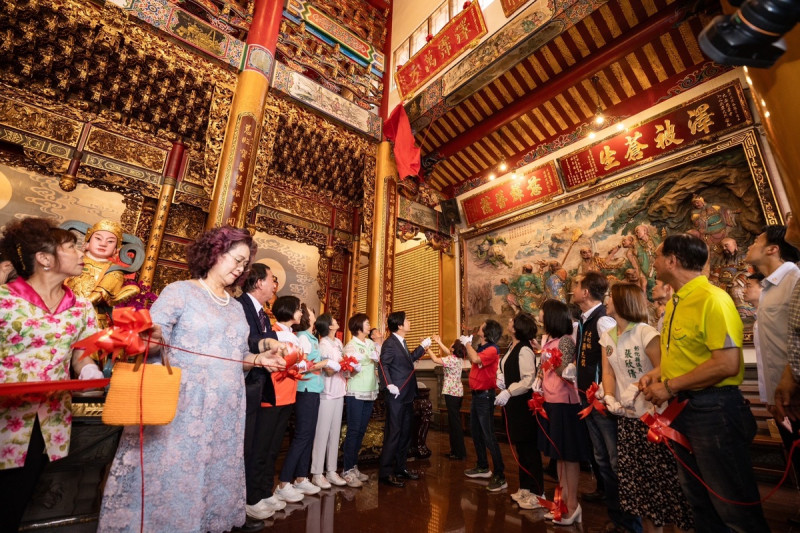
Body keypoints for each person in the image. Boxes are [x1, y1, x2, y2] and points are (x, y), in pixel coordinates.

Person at [98, 225, 285, 533]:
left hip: (225, 409)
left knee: (212, 474)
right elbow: (153, 343)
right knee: (174, 475)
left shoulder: (236, 308)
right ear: (214, 253)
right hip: (183, 406)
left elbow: (236, 358)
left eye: (243, 263)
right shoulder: (180, 292)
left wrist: (259, 359)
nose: (239, 268)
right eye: (235, 259)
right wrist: (147, 334)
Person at [641, 234, 770, 532]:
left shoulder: (712, 299)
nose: (655, 262)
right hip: (685, 410)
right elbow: (688, 354)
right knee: (699, 502)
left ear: (672, 260)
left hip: (714, 411)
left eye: (658, 256)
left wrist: (670, 386)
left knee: (733, 506)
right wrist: (658, 374)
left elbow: (726, 364)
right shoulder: (675, 302)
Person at [0, 217, 103, 532]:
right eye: (71, 246)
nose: (82, 250)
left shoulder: (81, 307)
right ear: (44, 259)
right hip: (4, 416)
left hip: (46, 420)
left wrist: (88, 370)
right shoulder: (5, 299)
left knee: (13, 501)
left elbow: (82, 351)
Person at [601, 283, 693, 533]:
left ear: (622, 303)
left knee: (665, 485)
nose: (607, 301)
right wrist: (609, 395)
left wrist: (637, 386)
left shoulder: (645, 332)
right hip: (627, 418)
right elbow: (607, 370)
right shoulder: (608, 336)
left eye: (610, 298)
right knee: (640, 489)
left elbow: (663, 368)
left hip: (653, 416)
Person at [573, 271, 641, 533]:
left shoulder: (602, 321)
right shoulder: (587, 319)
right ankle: (617, 515)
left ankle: (628, 520)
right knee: (602, 458)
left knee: (614, 460)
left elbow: (611, 362)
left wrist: (604, 390)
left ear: (586, 291)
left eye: (577, 285)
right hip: (590, 398)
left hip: (602, 400)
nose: (574, 289)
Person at [235, 263, 287, 521]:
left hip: (260, 385)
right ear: (258, 283)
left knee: (258, 445)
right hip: (243, 383)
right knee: (244, 446)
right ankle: (244, 499)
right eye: (272, 279)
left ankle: (254, 495)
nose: (274, 285)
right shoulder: (239, 307)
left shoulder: (264, 314)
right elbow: (246, 342)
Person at [276, 304, 334, 499]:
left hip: (314, 389)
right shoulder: (303, 338)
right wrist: (325, 363)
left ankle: (301, 478)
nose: (312, 315)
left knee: (308, 435)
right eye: (310, 312)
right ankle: (284, 482)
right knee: (302, 435)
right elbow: (302, 367)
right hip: (306, 389)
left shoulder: (311, 338)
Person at [745, 226, 800, 417]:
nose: (750, 245)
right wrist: (768, 396)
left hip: (794, 394)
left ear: (772, 249)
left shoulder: (794, 279)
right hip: (780, 398)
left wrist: (792, 379)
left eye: (756, 241)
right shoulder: (769, 286)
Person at [494, 313, 543, 510]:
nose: (508, 322)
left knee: (529, 448)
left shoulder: (524, 349)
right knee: (521, 448)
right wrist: (500, 378)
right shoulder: (512, 347)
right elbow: (505, 368)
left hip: (523, 404)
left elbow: (528, 380)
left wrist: (509, 391)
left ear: (518, 327)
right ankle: (524, 487)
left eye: (511, 321)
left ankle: (537, 492)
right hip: (513, 405)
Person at [377, 311, 430, 487]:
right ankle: (385, 473)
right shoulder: (390, 343)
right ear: (399, 325)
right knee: (394, 433)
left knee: (406, 432)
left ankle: (401, 467)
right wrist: (388, 384)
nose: (409, 321)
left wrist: (422, 347)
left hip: (407, 394)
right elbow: (382, 364)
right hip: (396, 394)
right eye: (407, 320)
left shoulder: (402, 342)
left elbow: (409, 361)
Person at [266, 295, 309, 504]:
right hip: (276, 392)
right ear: (288, 310)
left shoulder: (291, 334)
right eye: (299, 309)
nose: (301, 313)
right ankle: (267, 491)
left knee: (275, 444)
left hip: (289, 392)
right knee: (268, 445)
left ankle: (274, 488)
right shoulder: (275, 333)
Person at [65, 219, 139, 327]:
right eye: (98, 238)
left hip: (91, 317)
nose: (103, 244)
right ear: (88, 243)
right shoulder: (72, 260)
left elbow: (100, 294)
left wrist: (78, 308)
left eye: (110, 241)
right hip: (60, 308)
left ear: (115, 249)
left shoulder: (114, 271)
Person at [462, 319, 506, 491]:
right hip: (476, 396)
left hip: (485, 397)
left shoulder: (492, 349)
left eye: (482, 326)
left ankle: (500, 475)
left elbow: (474, 358)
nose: (479, 327)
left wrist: (467, 344)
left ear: (487, 332)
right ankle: (482, 466)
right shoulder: (483, 347)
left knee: (488, 436)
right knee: (476, 432)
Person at [310, 313, 348, 489]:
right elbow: (328, 370)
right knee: (322, 432)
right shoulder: (322, 344)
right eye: (333, 320)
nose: (336, 321)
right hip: (327, 391)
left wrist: (348, 365)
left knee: (335, 433)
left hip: (339, 390)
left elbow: (341, 367)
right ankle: (317, 473)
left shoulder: (338, 343)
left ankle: (331, 470)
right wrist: (339, 365)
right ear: (328, 326)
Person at [342, 313, 380, 488]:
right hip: (356, 391)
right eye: (366, 323)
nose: (369, 325)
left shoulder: (371, 343)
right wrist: (357, 364)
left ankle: (354, 465)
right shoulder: (351, 346)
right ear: (358, 326)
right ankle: (347, 469)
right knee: (354, 429)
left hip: (370, 389)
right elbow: (348, 369)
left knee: (362, 430)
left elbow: (376, 360)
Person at [429, 335, 467, 460]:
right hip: (457, 393)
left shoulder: (451, 359)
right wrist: (439, 342)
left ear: (454, 349)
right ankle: (455, 451)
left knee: (454, 424)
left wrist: (427, 348)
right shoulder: (458, 359)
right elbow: (447, 351)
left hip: (452, 393)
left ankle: (459, 452)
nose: (449, 346)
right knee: (454, 422)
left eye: (451, 345)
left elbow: (435, 359)